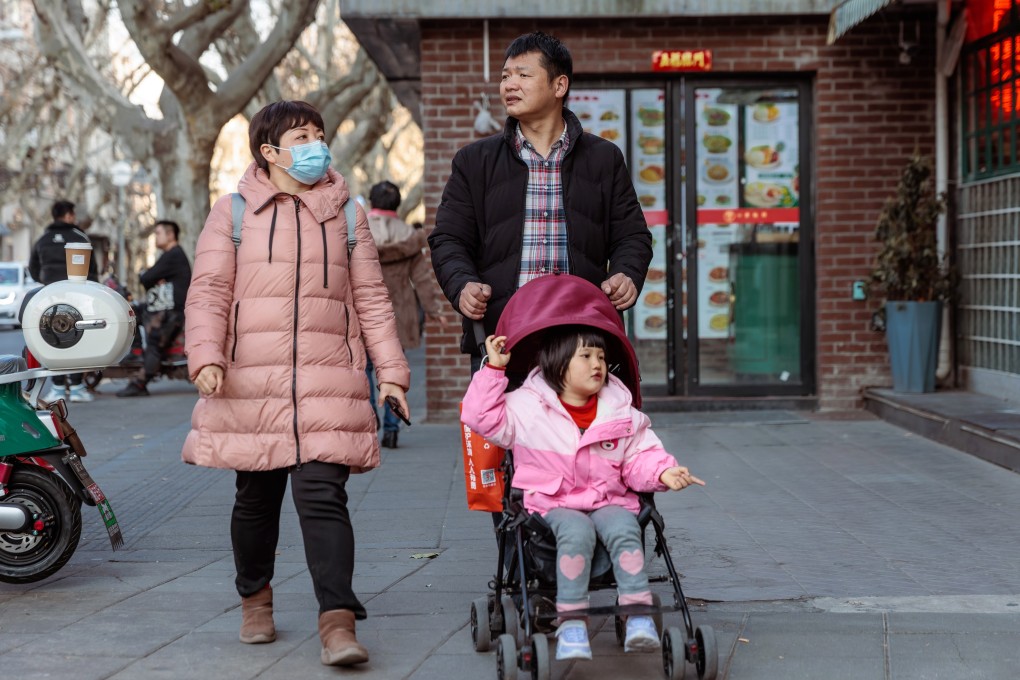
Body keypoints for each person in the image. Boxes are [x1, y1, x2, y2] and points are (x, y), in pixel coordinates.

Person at [182, 100, 410, 667]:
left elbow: (372, 300)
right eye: (301, 136)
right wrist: (205, 356)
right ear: (270, 151)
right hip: (250, 381)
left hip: (328, 379)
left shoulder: (347, 213)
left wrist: (392, 373)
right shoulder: (232, 213)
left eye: (319, 134)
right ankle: (254, 598)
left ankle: (338, 622)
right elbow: (208, 290)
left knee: (322, 497)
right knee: (255, 501)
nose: (316, 144)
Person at [461, 326, 705, 661]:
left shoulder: (620, 411)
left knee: (626, 528)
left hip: (608, 498)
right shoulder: (526, 407)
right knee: (576, 531)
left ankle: (636, 614)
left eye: (602, 357)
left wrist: (663, 471)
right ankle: (572, 623)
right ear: (558, 364)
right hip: (551, 502)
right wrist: (494, 369)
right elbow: (479, 417)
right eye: (586, 356)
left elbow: (640, 456)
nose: (597, 364)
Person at [429, 31, 653, 373]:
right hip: (503, 339)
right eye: (505, 76)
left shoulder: (604, 158)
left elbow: (632, 236)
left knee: (583, 429)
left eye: (523, 74)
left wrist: (626, 274)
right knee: (504, 428)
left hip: (582, 338)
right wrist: (462, 284)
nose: (509, 84)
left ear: (559, 85)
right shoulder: (474, 161)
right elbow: (448, 238)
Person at [365, 180, 445, 448]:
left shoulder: (356, 231)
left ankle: (368, 414)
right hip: (398, 314)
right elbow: (421, 278)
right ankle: (392, 427)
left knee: (363, 368)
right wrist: (434, 310)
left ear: (371, 200)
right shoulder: (409, 236)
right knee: (393, 371)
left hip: (361, 312)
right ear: (397, 204)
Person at [30, 199, 98, 403]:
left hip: (50, 298)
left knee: (53, 340)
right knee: (77, 339)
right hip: (77, 298)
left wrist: (47, 283)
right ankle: (76, 387)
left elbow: (33, 269)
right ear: (69, 215)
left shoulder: (42, 239)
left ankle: (58, 387)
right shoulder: (79, 237)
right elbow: (92, 269)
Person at [117, 220, 191, 397]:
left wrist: (149, 276)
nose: (155, 237)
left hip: (170, 311)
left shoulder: (173, 254)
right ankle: (135, 352)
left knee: (154, 344)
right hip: (163, 307)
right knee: (129, 313)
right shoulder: (170, 255)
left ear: (170, 234)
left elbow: (147, 278)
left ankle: (140, 383)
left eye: (158, 233)